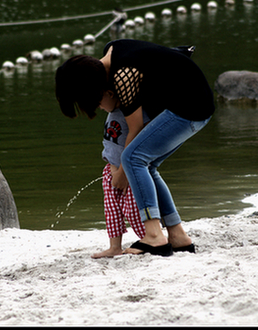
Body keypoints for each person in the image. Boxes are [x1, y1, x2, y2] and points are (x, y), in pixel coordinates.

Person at [55, 39, 215, 256]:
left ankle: (154, 236)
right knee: (145, 164)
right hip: (195, 103)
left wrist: (121, 172)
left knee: (133, 158)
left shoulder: (123, 75)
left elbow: (135, 126)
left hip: (188, 107)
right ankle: (177, 236)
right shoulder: (112, 49)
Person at [92, 103, 149, 259]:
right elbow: (111, 145)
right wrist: (113, 169)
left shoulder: (132, 111)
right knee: (112, 210)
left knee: (132, 209)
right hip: (110, 169)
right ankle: (114, 247)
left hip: (129, 170)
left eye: (100, 100)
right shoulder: (112, 113)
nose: (99, 106)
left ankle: (148, 237)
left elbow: (143, 132)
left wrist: (123, 171)